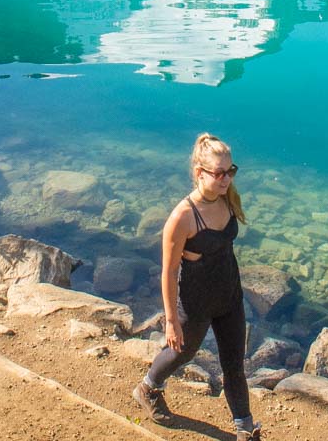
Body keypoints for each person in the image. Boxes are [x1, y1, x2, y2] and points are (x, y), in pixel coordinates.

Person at [132, 132, 261, 441]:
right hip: (196, 303)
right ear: (199, 173)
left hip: (230, 297)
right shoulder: (182, 218)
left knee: (234, 365)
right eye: (218, 173)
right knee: (181, 353)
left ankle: (245, 428)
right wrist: (172, 321)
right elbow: (169, 271)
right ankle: (148, 387)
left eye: (230, 171)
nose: (226, 179)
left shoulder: (227, 199)